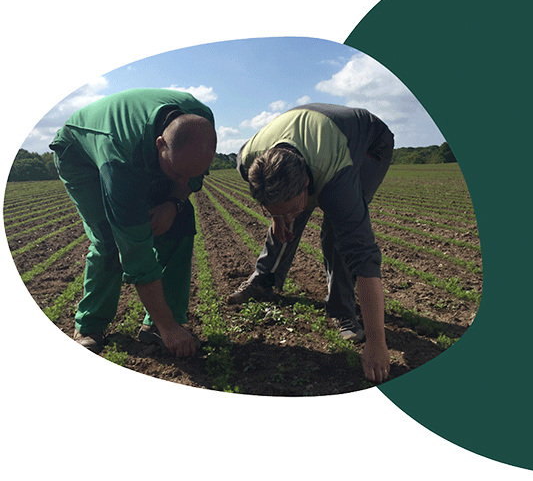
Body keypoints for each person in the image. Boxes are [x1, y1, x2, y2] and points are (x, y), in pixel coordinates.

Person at [230, 103, 394, 382]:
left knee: (338, 229)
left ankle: (343, 310)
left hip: (369, 144)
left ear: (307, 181)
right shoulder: (249, 160)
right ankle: (264, 281)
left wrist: (377, 343)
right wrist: (279, 217)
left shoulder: (335, 175)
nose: (287, 215)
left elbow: (365, 258)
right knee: (286, 215)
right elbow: (279, 201)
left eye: (293, 206)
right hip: (310, 141)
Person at [50, 88, 217, 358]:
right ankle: (90, 326)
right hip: (81, 154)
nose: (184, 181)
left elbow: (189, 177)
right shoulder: (120, 164)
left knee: (181, 222)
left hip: (139, 148)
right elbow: (135, 251)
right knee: (108, 240)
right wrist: (169, 327)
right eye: (178, 173)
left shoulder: (200, 123)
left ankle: (158, 327)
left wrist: (174, 204)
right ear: (160, 144)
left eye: (190, 174)